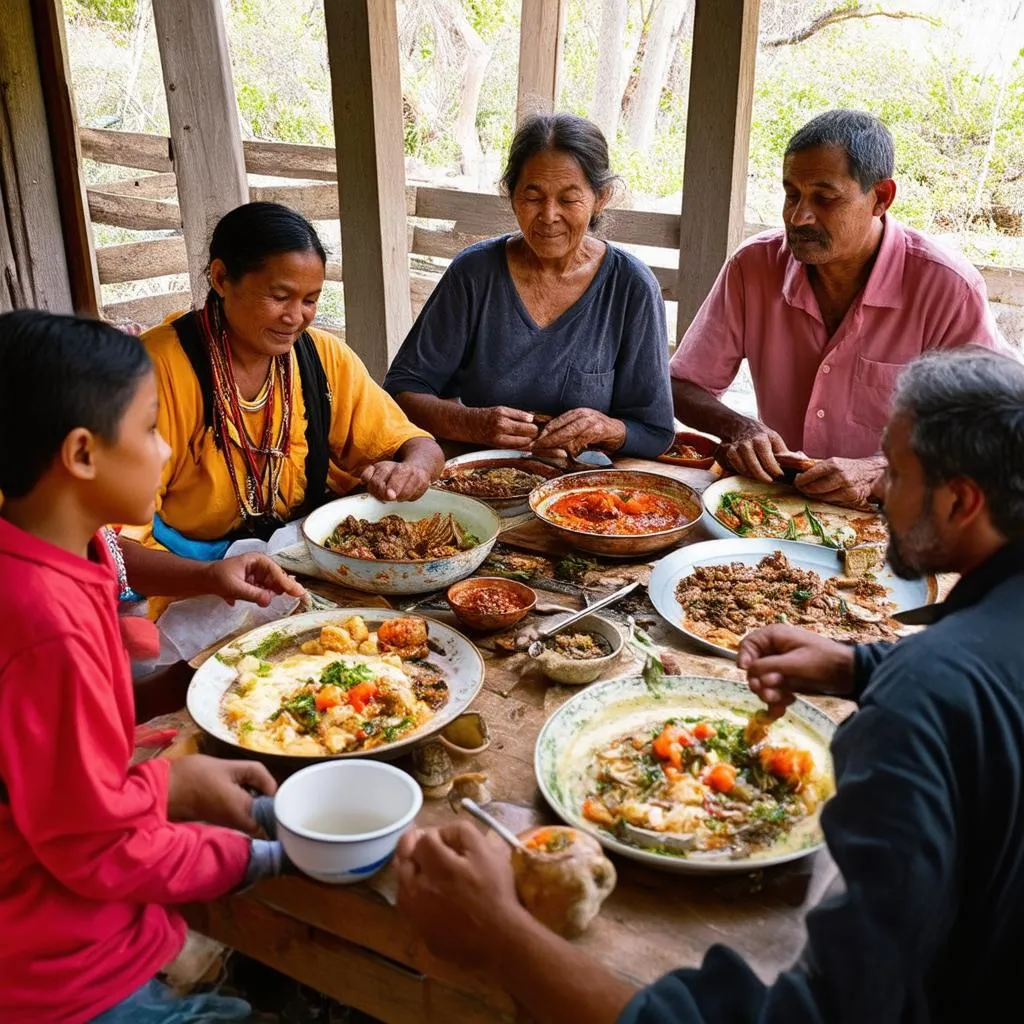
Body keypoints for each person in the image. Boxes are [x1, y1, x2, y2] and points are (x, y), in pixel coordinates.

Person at [392, 347, 1024, 1023]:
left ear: (960, 501)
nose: (875, 494)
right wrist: (859, 666)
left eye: (893, 475)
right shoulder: (957, 661)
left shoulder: (923, 700)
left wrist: (500, 932)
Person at [0, 310, 293, 1022]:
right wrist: (257, 858)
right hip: (61, 972)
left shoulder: (59, 555)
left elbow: (64, 773)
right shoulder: (44, 626)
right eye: (152, 429)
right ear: (81, 454)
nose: (165, 453)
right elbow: (92, 842)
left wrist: (166, 780)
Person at [670, 108, 1004, 507]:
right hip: (780, 502)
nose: (799, 216)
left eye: (824, 199)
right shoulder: (754, 266)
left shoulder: (948, 287)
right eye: (791, 193)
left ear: (881, 198)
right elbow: (682, 384)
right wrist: (740, 427)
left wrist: (879, 470)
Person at [120, 201, 444, 590]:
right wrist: (210, 578)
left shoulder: (322, 358)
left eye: (309, 300)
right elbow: (107, 546)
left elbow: (419, 445)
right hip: (182, 576)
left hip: (299, 558)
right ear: (222, 279)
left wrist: (413, 469)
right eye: (279, 296)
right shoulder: (153, 372)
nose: (296, 317)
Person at [383, 113, 675, 460]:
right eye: (533, 197)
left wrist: (606, 428)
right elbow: (402, 391)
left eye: (568, 199)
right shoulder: (475, 273)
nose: (549, 215)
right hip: (478, 480)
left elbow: (656, 431)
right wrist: (470, 423)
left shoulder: (631, 288)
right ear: (512, 195)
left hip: (581, 496)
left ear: (601, 197)